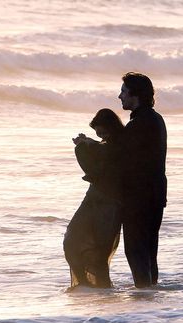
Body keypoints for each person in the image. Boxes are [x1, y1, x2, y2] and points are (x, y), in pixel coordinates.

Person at [63, 108, 124, 288]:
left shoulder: (120, 146)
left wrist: (84, 145)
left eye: (104, 133)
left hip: (110, 204)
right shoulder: (105, 145)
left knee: (100, 249)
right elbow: (101, 151)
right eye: (98, 133)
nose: (102, 136)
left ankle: (101, 290)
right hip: (93, 199)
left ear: (113, 128)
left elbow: (99, 164)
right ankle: (84, 283)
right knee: (71, 240)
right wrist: (87, 143)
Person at [118, 72, 167, 288]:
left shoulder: (139, 124)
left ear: (134, 95)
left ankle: (143, 295)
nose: (119, 97)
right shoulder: (155, 119)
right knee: (148, 250)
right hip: (155, 194)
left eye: (123, 92)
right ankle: (149, 293)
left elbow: (119, 156)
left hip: (140, 196)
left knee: (136, 250)